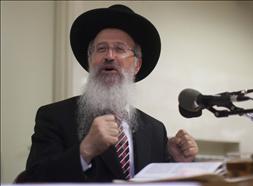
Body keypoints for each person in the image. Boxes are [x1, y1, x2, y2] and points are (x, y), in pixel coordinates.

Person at [23, 4, 198, 183]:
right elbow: (31, 180)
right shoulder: (54, 117)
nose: (109, 56)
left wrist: (177, 164)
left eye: (120, 49)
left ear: (136, 65)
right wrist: (85, 151)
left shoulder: (155, 130)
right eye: (101, 48)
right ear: (90, 60)